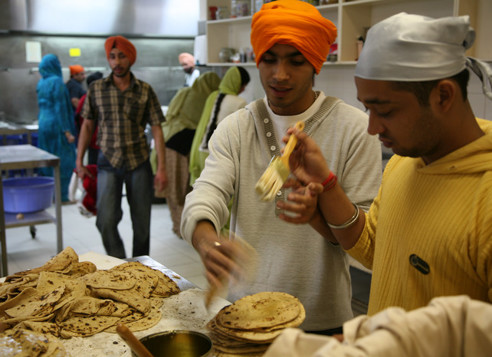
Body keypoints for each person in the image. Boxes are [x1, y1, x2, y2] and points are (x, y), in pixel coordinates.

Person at [180, 0, 382, 334]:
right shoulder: (237, 127)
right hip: (246, 312)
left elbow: (365, 243)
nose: (280, 74)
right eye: (269, 59)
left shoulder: (354, 129)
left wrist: (319, 213)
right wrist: (207, 241)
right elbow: (207, 192)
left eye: (296, 61)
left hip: (321, 319)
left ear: (316, 63)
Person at [280, 12, 492, 317]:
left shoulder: (485, 200)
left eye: (386, 111)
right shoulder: (404, 164)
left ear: (443, 96)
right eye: (367, 109)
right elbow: (375, 248)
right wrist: (326, 187)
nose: (372, 128)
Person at [76, 35, 168, 259]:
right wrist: (79, 161)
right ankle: (120, 264)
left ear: (131, 59)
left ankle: (140, 267)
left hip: (139, 162)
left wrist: (162, 168)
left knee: (142, 224)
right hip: (108, 162)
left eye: (121, 56)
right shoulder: (97, 89)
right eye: (112, 57)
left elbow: (157, 128)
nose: (116, 62)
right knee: (105, 221)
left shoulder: (145, 90)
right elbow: (87, 125)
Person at [263, 295, 492, 357]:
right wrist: (360, 334)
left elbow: (457, 325)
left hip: (328, 319)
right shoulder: (395, 174)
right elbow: (452, 321)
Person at [158, 71, 220, 238]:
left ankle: (177, 226)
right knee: (184, 189)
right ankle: (184, 228)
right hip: (183, 148)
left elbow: (170, 113)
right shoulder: (210, 99)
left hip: (168, 141)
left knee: (174, 189)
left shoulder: (185, 92)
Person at [189, 66, 250, 185]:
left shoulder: (213, 96)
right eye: (244, 86)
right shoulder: (239, 102)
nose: (243, 89)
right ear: (238, 83)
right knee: (225, 197)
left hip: (202, 151)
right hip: (219, 154)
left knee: (206, 192)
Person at [36, 54, 77, 203]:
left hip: (43, 124)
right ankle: (62, 196)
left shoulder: (41, 83)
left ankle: (50, 195)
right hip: (57, 126)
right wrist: (67, 132)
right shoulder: (57, 82)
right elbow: (60, 108)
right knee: (64, 161)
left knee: (47, 160)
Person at [75, 71, 103, 165]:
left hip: (94, 142)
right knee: (94, 169)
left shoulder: (85, 98)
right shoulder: (90, 99)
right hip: (94, 141)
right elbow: (82, 122)